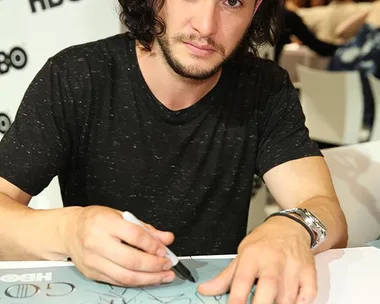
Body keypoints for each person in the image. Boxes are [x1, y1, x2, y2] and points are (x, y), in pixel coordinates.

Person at [0, 0, 348, 303]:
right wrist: (68, 232)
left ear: (255, 10)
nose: (206, 26)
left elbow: (323, 207)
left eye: (232, 1)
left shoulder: (265, 89)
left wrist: (293, 227)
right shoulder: (75, 76)